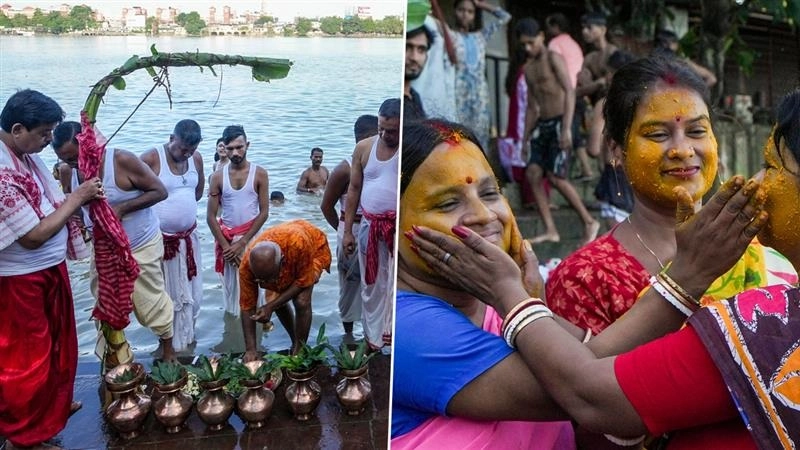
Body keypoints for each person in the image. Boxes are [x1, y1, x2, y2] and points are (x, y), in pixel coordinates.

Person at [406, 90, 800, 448]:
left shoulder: (775, 298)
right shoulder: (421, 326)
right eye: (446, 204)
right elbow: (585, 390)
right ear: (616, 150)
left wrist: (517, 301)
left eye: (491, 193)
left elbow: (587, 379)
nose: (481, 215)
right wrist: (687, 276)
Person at [546, 55, 796, 336]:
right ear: (616, 150)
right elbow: (582, 377)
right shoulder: (582, 279)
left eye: (697, 131)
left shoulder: (768, 247)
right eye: (657, 135)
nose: (683, 150)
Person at [0, 89, 101, 450]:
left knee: (59, 347)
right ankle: (24, 437)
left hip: (47, 270)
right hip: (21, 279)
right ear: (16, 129)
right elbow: (32, 235)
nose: (47, 141)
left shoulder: (24, 157)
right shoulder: (2, 170)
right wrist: (78, 197)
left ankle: (46, 411)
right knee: (27, 360)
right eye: (43, 134)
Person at [53, 120, 177, 368]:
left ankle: (168, 348)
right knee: (103, 302)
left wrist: (121, 208)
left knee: (149, 301)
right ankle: (117, 356)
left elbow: (160, 192)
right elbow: (75, 205)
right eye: (67, 160)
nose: (74, 164)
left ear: (87, 144)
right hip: (103, 247)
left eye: (76, 157)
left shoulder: (121, 160)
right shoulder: (69, 170)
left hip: (140, 243)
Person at [518, 17, 600, 246]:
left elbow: (570, 92)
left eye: (531, 42)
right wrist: (524, 139)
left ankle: (589, 221)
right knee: (533, 174)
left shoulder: (554, 58)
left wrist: (566, 129)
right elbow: (532, 107)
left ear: (542, 37)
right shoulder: (528, 69)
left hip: (561, 121)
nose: (528, 48)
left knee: (555, 176)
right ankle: (550, 229)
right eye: (523, 44)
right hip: (542, 125)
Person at [141, 119, 204, 353]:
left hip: (189, 240)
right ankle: (167, 348)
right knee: (166, 298)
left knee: (193, 296)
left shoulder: (195, 159)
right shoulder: (151, 158)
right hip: (161, 243)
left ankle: (188, 343)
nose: (186, 154)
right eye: (181, 149)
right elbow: (131, 192)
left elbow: (197, 192)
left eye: (191, 150)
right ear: (171, 139)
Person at [342, 99, 399, 351]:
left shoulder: (407, 149)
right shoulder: (364, 148)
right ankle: (373, 339)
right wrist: (347, 233)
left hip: (398, 228)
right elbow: (353, 189)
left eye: (392, 131)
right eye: (381, 128)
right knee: (371, 284)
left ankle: (394, 338)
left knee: (397, 284)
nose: (385, 135)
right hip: (369, 227)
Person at [320, 114, 378, 335]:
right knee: (349, 283)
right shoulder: (344, 168)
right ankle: (348, 334)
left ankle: (373, 334)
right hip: (351, 228)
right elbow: (326, 206)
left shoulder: (382, 163)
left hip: (375, 228)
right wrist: (344, 232)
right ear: (362, 139)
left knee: (375, 282)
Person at [239, 219, 331, 359]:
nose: (266, 284)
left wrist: (270, 306)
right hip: (285, 253)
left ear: (281, 262)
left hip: (312, 248)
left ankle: (300, 350)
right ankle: (295, 340)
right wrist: (251, 350)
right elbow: (247, 306)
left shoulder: (299, 243)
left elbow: (302, 282)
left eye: (269, 279)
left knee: (302, 301)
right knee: (276, 298)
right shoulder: (246, 268)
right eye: (261, 281)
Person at [207, 125, 270, 317]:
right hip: (227, 241)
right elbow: (210, 216)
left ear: (247, 145)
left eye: (239, 147)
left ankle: (256, 337)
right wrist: (227, 247)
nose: (235, 152)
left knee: (255, 288)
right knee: (232, 291)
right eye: (231, 148)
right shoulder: (218, 176)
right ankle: (235, 339)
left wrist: (243, 243)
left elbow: (264, 212)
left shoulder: (259, 173)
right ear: (223, 148)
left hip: (251, 239)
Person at [450, 0, 511, 151]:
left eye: (470, 11)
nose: (465, 15)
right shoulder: (450, 36)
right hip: (459, 94)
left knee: (480, 136)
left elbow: (505, 17)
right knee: (459, 136)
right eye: (461, 10)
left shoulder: (480, 37)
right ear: (455, 11)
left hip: (479, 96)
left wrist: (480, 4)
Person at [545, 12, 593, 181]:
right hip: (578, 93)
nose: (548, 30)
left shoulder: (554, 44)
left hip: (566, 94)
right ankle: (585, 169)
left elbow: (555, 70)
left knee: (566, 134)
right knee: (576, 134)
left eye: (550, 26)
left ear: (556, 27)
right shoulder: (575, 44)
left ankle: (562, 174)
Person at [408, 0, 458, 121]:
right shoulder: (415, 18)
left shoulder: (436, 23)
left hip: (436, 82)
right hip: (419, 80)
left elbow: (452, 54)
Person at [576, 12, 618, 107]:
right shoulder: (589, 58)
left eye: (589, 27)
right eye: (583, 28)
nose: (584, 31)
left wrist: (593, 85)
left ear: (603, 30)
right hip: (596, 107)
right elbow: (578, 91)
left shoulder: (613, 53)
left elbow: (611, 86)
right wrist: (599, 82)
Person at [404, 19, 433, 121]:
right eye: (407, 47)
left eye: (421, 50)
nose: (414, 57)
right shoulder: (392, 102)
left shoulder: (414, 96)